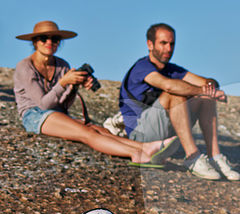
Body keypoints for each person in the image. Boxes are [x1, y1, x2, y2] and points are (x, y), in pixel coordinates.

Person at [13, 21, 172, 164]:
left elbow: (64, 104)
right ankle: (136, 153)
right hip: (34, 116)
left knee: (100, 130)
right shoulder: (25, 66)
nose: (49, 42)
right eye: (43, 38)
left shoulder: (62, 65)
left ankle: (147, 147)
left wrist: (74, 86)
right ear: (34, 42)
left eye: (55, 39)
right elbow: (43, 104)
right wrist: (63, 83)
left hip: (57, 114)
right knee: (87, 133)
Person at [119, 23, 240, 180]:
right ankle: (192, 156)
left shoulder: (172, 69)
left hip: (164, 131)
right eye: (163, 43)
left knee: (205, 97)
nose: (169, 49)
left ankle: (214, 156)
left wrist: (211, 87)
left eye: (172, 44)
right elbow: (168, 85)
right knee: (176, 93)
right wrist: (204, 89)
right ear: (150, 44)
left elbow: (206, 82)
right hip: (140, 134)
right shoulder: (142, 67)